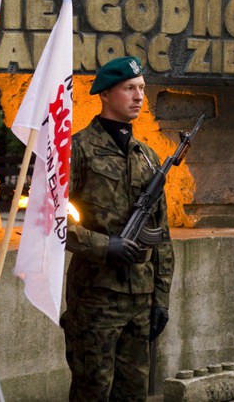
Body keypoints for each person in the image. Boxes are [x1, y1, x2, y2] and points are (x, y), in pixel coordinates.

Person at [61, 56, 174, 401]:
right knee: (92, 391)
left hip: (140, 300)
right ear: (106, 94)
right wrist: (104, 245)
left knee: (134, 393)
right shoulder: (78, 149)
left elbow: (162, 235)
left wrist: (161, 299)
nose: (139, 96)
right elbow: (52, 223)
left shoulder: (149, 157)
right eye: (129, 89)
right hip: (96, 298)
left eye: (141, 88)